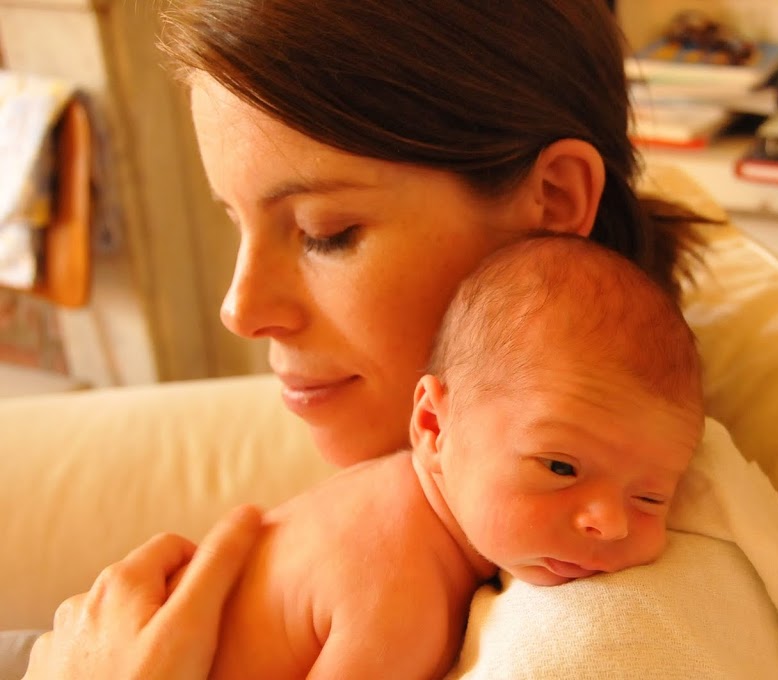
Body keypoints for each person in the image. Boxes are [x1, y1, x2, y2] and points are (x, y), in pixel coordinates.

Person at [20, 1, 714, 677]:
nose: (239, 309)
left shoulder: (610, 620)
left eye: (326, 232)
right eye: (235, 222)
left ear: (554, 201)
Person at [204, 233, 704, 680]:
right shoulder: (401, 596)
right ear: (434, 427)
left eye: (650, 497)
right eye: (560, 467)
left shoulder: (415, 516)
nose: (611, 524)